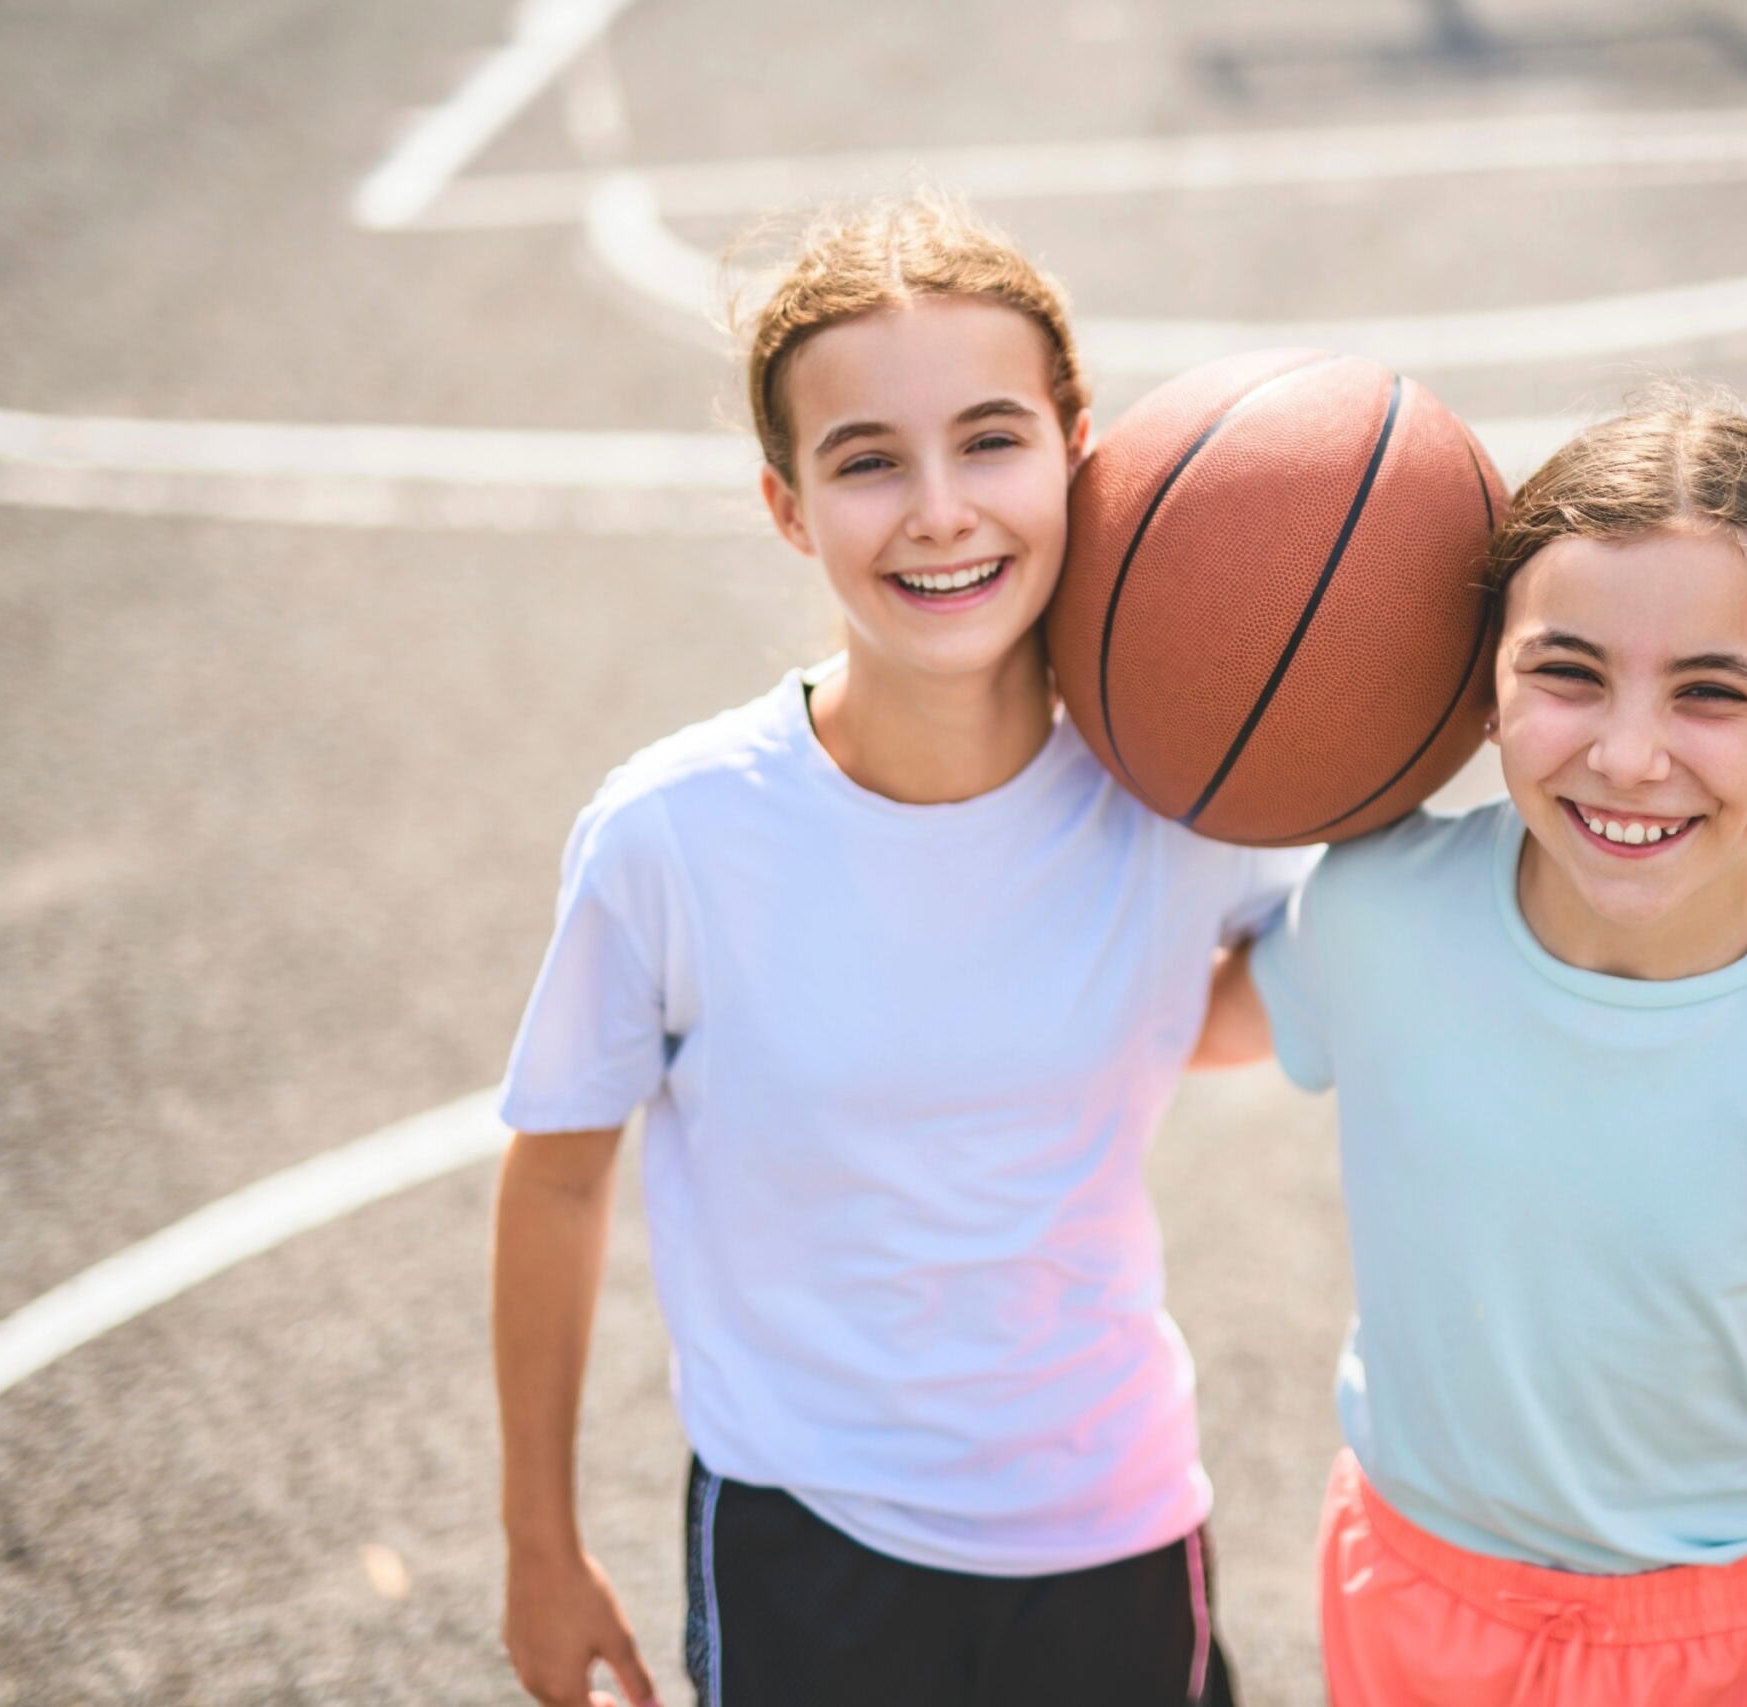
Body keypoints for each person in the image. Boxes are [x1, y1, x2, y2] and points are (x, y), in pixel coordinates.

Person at [490, 195, 1298, 1707]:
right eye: (868, 462)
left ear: (1076, 445)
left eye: (992, 440)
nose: (939, 509)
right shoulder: (675, 836)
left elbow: (1258, 1002)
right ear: (790, 504)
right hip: (809, 1540)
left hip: (1114, 1520)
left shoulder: (1188, 794)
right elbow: (556, 1176)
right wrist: (540, 1543)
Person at [1203, 398, 1747, 1705]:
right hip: (1416, 1606)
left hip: (1737, 1645)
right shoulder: (1380, 909)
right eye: (1568, 673)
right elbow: (1153, 1021)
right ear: (1487, 682)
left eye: (1713, 692)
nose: (1630, 756)